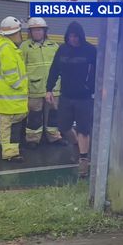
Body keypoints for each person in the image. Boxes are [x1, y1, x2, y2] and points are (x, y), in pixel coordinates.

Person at [46, 21, 96, 177]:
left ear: (81, 36)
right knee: (63, 127)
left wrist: (94, 88)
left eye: (76, 36)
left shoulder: (90, 50)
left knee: (83, 129)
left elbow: (98, 72)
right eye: (70, 36)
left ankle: (83, 160)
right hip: (66, 95)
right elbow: (54, 69)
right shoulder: (62, 50)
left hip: (84, 97)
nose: (73, 39)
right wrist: (49, 89)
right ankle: (76, 144)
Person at [0, 16, 28, 162]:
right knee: (10, 128)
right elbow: (11, 76)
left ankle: (9, 149)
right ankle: (10, 154)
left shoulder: (4, 46)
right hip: (11, 97)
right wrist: (22, 85)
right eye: (19, 33)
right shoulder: (7, 48)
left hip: (8, 98)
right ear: (14, 33)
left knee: (7, 127)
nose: (21, 36)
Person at [20, 17, 67, 149]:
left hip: (53, 88)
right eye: (34, 30)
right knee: (34, 115)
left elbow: (60, 67)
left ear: (45, 31)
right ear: (30, 32)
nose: (37, 33)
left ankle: (54, 137)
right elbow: (20, 67)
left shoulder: (53, 46)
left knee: (53, 114)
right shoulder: (25, 47)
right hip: (34, 88)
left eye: (39, 30)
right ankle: (33, 139)